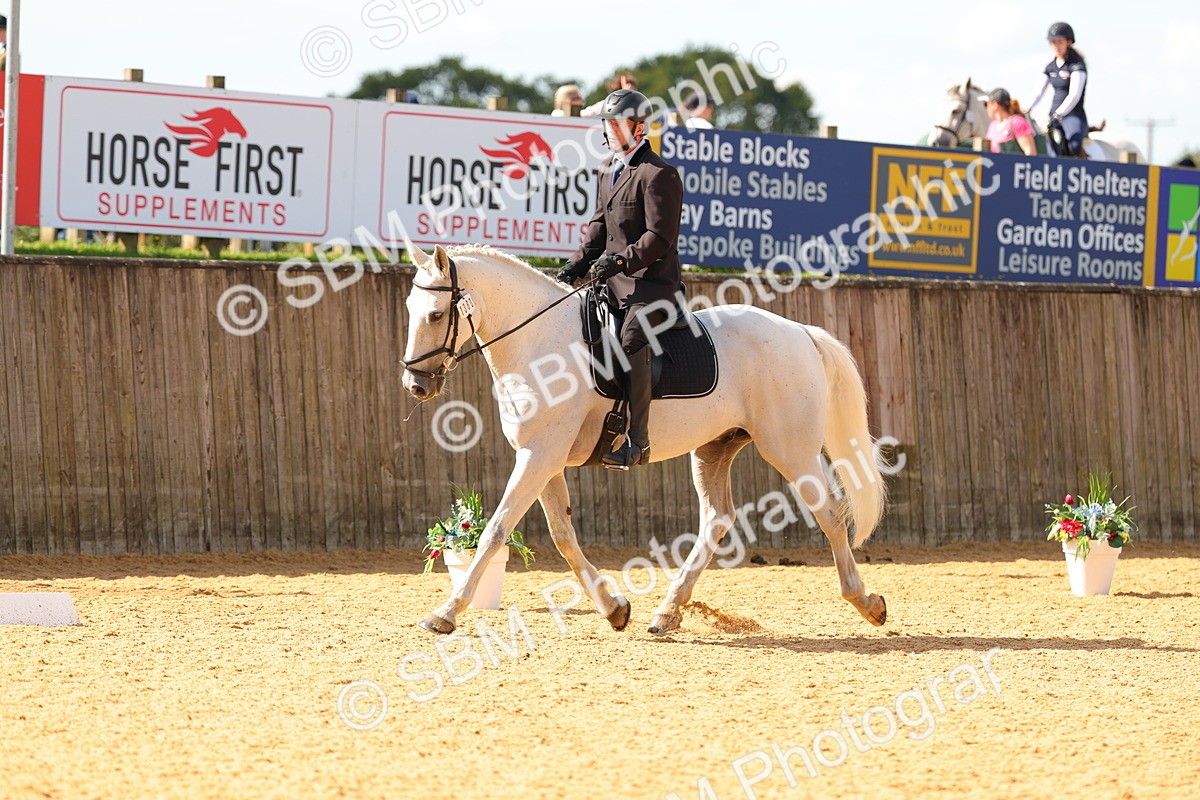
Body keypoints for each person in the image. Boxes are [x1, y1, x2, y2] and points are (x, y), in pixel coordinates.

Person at [555, 89, 684, 470]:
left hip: (651, 286)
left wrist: (620, 262)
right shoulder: (606, 169)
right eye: (607, 123)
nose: (610, 130)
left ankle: (638, 441)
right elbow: (598, 228)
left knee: (630, 340)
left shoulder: (659, 174)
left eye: (617, 123)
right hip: (610, 283)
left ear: (639, 127)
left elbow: (660, 237)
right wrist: (575, 265)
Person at [1029, 22, 1088, 157]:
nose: (1056, 46)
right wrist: (1026, 109)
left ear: (1068, 42)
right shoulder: (1050, 67)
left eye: (1059, 42)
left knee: (1073, 146)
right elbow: (1038, 92)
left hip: (1072, 115)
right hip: (1053, 115)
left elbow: (1074, 94)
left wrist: (1059, 113)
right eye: (1053, 42)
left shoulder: (1077, 66)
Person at [978, 88, 1037, 156]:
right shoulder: (992, 126)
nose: (986, 108)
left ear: (994, 105)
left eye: (986, 104)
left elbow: (1031, 153)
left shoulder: (1017, 122)